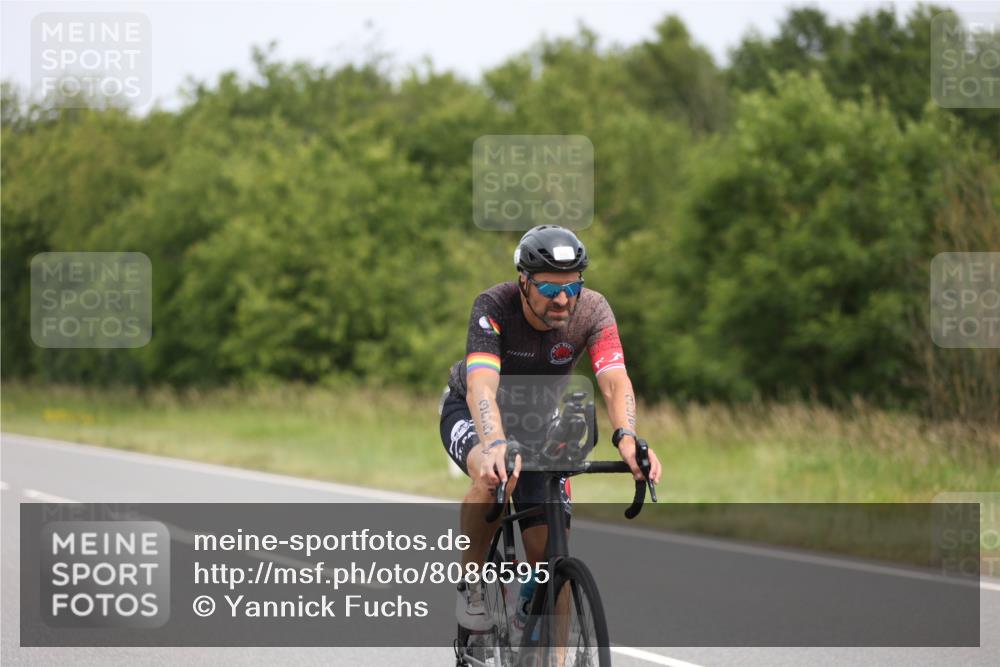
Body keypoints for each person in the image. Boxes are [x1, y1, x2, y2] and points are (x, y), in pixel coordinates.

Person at [439, 224, 663, 631]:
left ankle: (543, 632)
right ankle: (472, 583)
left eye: (572, 287)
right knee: (493, 479)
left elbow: (614, 379)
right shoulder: (494, 305)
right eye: (548, 288)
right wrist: (495, 444)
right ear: (523, 282)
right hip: (475, 411)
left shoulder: (593, 310)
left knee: (550, 560)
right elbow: (481, 386)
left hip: (540, 422)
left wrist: (626, 436)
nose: (563, 299)